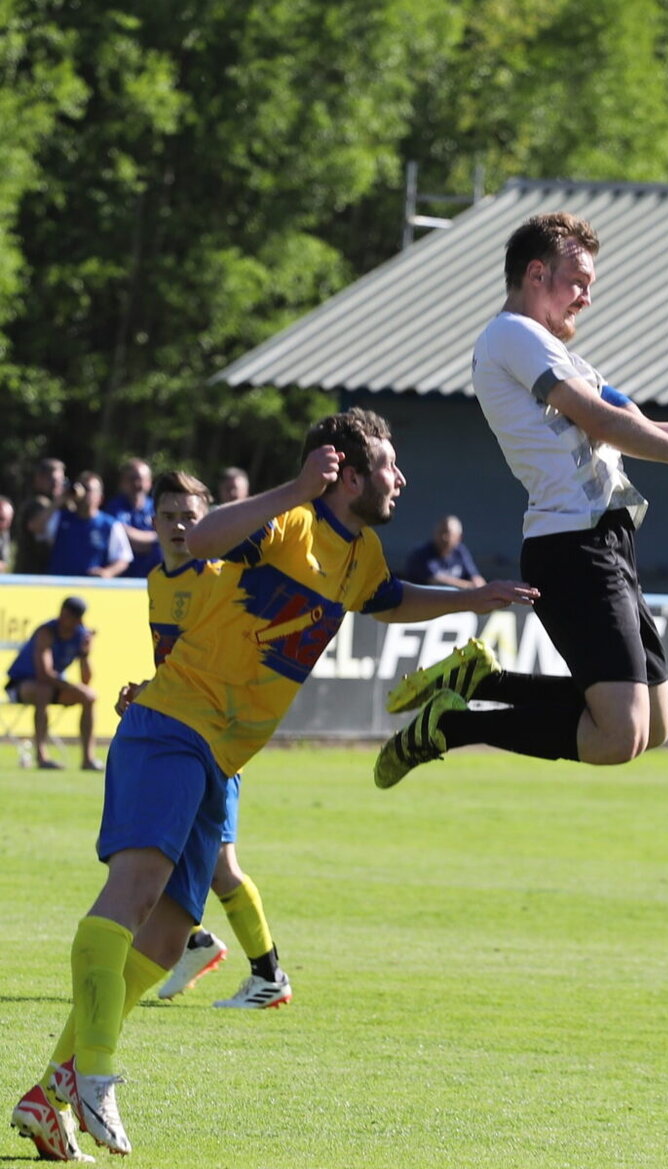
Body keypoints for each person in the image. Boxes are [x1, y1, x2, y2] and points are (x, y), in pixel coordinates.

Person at [11, 407, 537, 1160]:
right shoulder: (290, 522)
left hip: (221, 757)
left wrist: (471, 597)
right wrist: (295, 487)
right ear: (346, 474)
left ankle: (49, 1094)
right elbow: (203, 538)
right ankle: (94, 1072)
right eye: (389, 465)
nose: (401, 477)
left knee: (168, 935)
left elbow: (389, 601)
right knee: (133, 895)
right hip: (173, 726)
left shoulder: (362, 552)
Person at [374, 212, 668, 788]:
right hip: (571, 544)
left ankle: (481, 682)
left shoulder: (563, 357)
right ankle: (451, 727)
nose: (586, 298)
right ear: (536, 274)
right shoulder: (512, 335)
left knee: (654, 725)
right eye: (577, 281)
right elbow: (602, 421)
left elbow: (635, 426)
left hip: (608, 540)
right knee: (618, 735)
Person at [114, 469, 291, 1010]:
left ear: (207, 520)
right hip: (175, 734)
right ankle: (194, 943)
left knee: (218, 866)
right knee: (156, 852)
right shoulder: (157, 581)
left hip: (215, 739)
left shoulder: (221, 578)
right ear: (152, 521)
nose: (178, 526)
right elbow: (181, 663)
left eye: (189, 517)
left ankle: (268, 974)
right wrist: (148, 692)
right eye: (168, 516)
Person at [4, 596, 100, 771]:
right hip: (21, 685)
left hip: (52, 686)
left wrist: (85, 654)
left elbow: (86, 680)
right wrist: (72, 687)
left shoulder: (80, 635)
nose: (65, 619)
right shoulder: (46, 632)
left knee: (89, 696)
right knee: (44, 691)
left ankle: (88, 759)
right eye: (65, 614)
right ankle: (42, 757)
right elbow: (44, 674)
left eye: (71, 617)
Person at [41, 472, 133, 578]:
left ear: (100, 498)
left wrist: (108, 572)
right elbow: (35, 527)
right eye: (80, 487)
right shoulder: (61, 518)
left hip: (91, 585)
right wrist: (60, 500)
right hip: (61, 584)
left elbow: (123, 558)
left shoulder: (109, 525)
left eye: (87, 489)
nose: (83, 493)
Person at [103, 457, 162, 578]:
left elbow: (166, 536)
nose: (137, 484)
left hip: (154, 575)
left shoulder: (157, 507)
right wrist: (155, 539)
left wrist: (157, 538)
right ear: (122, 482)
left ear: (149, 482)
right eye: (131, 479)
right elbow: (120, 536)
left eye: (140, 479)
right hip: (123, 578)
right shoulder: (114, 507)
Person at [403, 514, 486, 589]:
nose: (443, 537)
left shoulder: (460, 551)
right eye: (440, 532)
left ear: (459, 537)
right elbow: (435, 580)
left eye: (448, 533)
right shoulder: (421, 554)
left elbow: (475, 576)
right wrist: (469, 586)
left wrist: (480, 587)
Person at [13, 457, 66, 574]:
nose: (57, 485)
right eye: (53, 480)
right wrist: (58, 502)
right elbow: (35, 526)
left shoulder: (61, 506)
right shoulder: (34, 504)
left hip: (51, 573)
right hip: (30, 573)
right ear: (39, 478)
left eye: (61, 480)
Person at [0, 494, 13, 571]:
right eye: (1, 519)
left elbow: (4, 562)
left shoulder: (4, 534)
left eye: (9, 520)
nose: (6, 525)